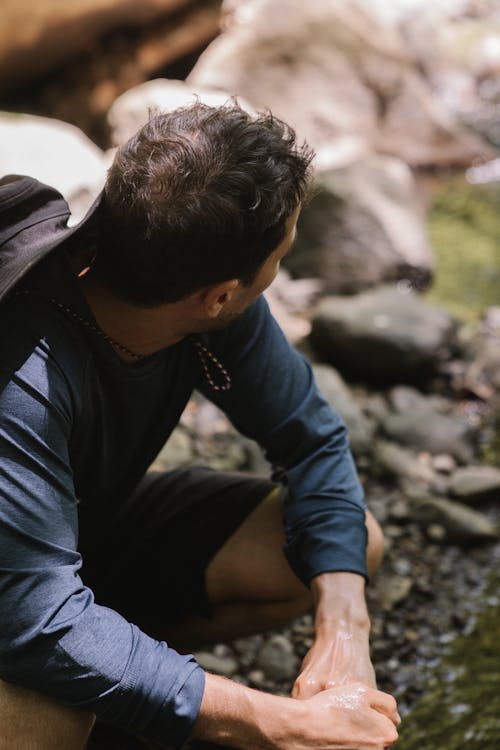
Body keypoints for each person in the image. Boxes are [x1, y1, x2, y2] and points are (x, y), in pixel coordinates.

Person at [0, 102, 400, 750]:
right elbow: (35, 622)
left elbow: (312, 441)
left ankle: (118, 668)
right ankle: (101, 681)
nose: (275, 275)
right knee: (48, 718)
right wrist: (279, 724)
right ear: (218, 294)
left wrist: (344, 632)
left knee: (347, 551)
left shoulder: (191, 287)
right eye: (281, 256)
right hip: (16, 590)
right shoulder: (23, 378)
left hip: (80, 541)